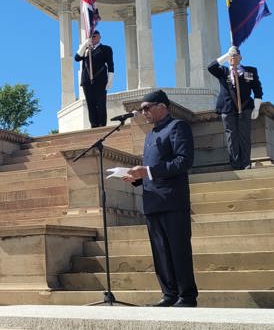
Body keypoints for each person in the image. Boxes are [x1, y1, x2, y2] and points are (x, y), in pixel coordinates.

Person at [123, 90, 198, 308]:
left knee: (178, 250)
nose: (142, 112)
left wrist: (147, 171)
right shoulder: (150, 135)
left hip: (173, 202)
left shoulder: (178, 127)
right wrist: (136, 178)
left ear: (162, 107)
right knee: (161, 253)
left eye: (146, 107)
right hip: (153, 202)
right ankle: (169, 294)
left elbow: (183, 161)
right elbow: (150, 171)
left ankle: (187, 296)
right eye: (141, 109)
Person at [208, 46, 263, 170]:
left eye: (235, 55)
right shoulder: (223, 71)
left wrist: (257, 107)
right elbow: (210, 67)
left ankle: (246, 164)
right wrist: (226, 55)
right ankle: (235, 165)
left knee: (244, 136)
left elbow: (257, 90)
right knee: (231, 137)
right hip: (227, 108)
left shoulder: (250, 71)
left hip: (245, 107)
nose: (233, 58)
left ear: (240, 57)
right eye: (231, 56)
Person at [75, 29, 114, 128]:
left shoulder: (106, 49)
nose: (92, 38)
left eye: (94, 36)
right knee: (90, 105)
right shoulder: (86, 50)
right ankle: (94, 125)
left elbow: (110, 64)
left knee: (101, 104)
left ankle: (101, 125)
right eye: (91, 36)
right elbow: (77, 58)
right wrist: (84, 45)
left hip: (100, 81)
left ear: (99, 36)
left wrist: (110, 79)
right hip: (87, 82)